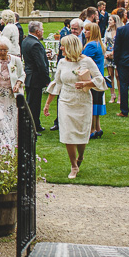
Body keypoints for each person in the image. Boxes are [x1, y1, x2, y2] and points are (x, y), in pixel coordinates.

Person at [44, 34, 107, 179]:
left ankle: (81, 155)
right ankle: (73, 165)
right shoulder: (62, 63)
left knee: (81, 133)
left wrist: (86, 83)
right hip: (66, 101)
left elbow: (100, 80)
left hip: (83, 101)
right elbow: (57, 83)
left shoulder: (87, 61)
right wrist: (47, 104)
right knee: (67, 133)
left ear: (71, 47)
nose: (60, 48)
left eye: (63, 46)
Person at [51, 18, 82, 130]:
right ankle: (59, 121)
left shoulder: (84, 40)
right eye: (71, 28)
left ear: (81, 29)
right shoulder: (65, 38)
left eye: (75, 29)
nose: (73, 31)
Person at [21, 20, 51, 133]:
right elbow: (41, 65)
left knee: (33, 102)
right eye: (42, 30)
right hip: (35, 77)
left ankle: (36, 124)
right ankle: (32, 127)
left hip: (29, 75)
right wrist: (47, 79)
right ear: (37, 31)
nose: (43, 32)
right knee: (34, 104)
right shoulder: (35, 44)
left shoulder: (26, 41)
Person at [82, 21, 107, 138]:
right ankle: (98, 127)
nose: (84, 32)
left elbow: (83, 60)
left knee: (91, 103)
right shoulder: (99, 44)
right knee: (97, 103)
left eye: (87, 30)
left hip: (92, 79)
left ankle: (91, 129)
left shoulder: (90, 45)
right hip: (100, 78)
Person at [104, 13, 121, 103]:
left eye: (110, 20)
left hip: (117, 54)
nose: (109, 21)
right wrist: (105, 53)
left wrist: (113, 53)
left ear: (115, 21)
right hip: (108, 53)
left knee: (118, 75)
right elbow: (105, 42)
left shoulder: (119, 31)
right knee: (110, 75)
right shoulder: (107, 31)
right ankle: (112, 94)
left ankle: (120, 95)